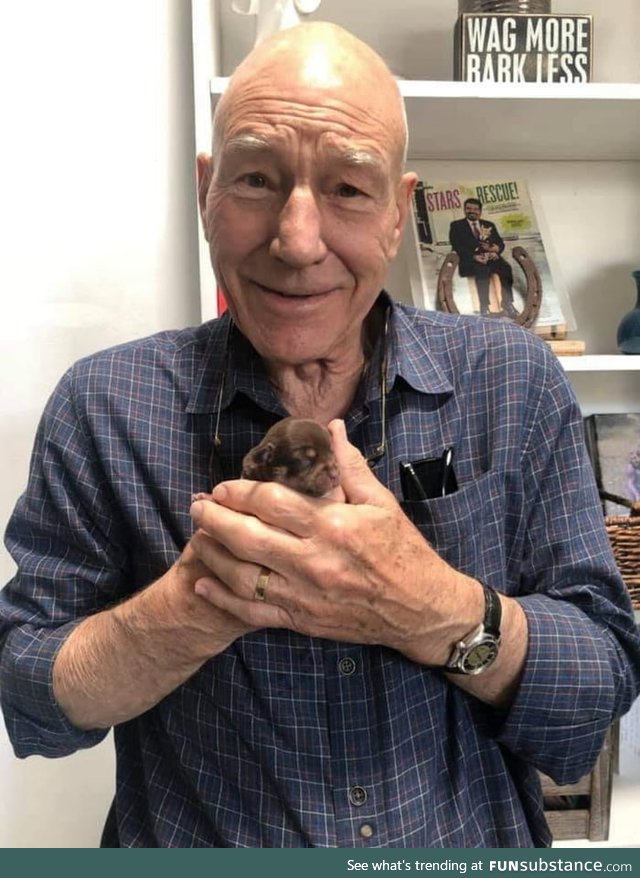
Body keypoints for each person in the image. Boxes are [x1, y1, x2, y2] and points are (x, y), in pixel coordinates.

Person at [1, 21, 639, 849]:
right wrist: (193, 607)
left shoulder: (512, 381)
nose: (297, 242)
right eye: (257, 179)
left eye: (347, 189)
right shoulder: (104, 405)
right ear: (206, 191)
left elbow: (597, 692)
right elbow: (31, 698)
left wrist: (432, 609)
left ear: (400, 212)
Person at [449, 198, 518, 318]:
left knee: (506, 268)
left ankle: (507, 303)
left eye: (475, 209)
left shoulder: (489, 225)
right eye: (469, 208)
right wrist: (473, 257)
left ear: (480, 212)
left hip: (490, 258)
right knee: (482, 271)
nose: (472, 211)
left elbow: (500, 243)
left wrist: (495, 249)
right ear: (464, 210)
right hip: (471, 260)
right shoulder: (456, 225)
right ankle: (484, 306)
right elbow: (456, 245)